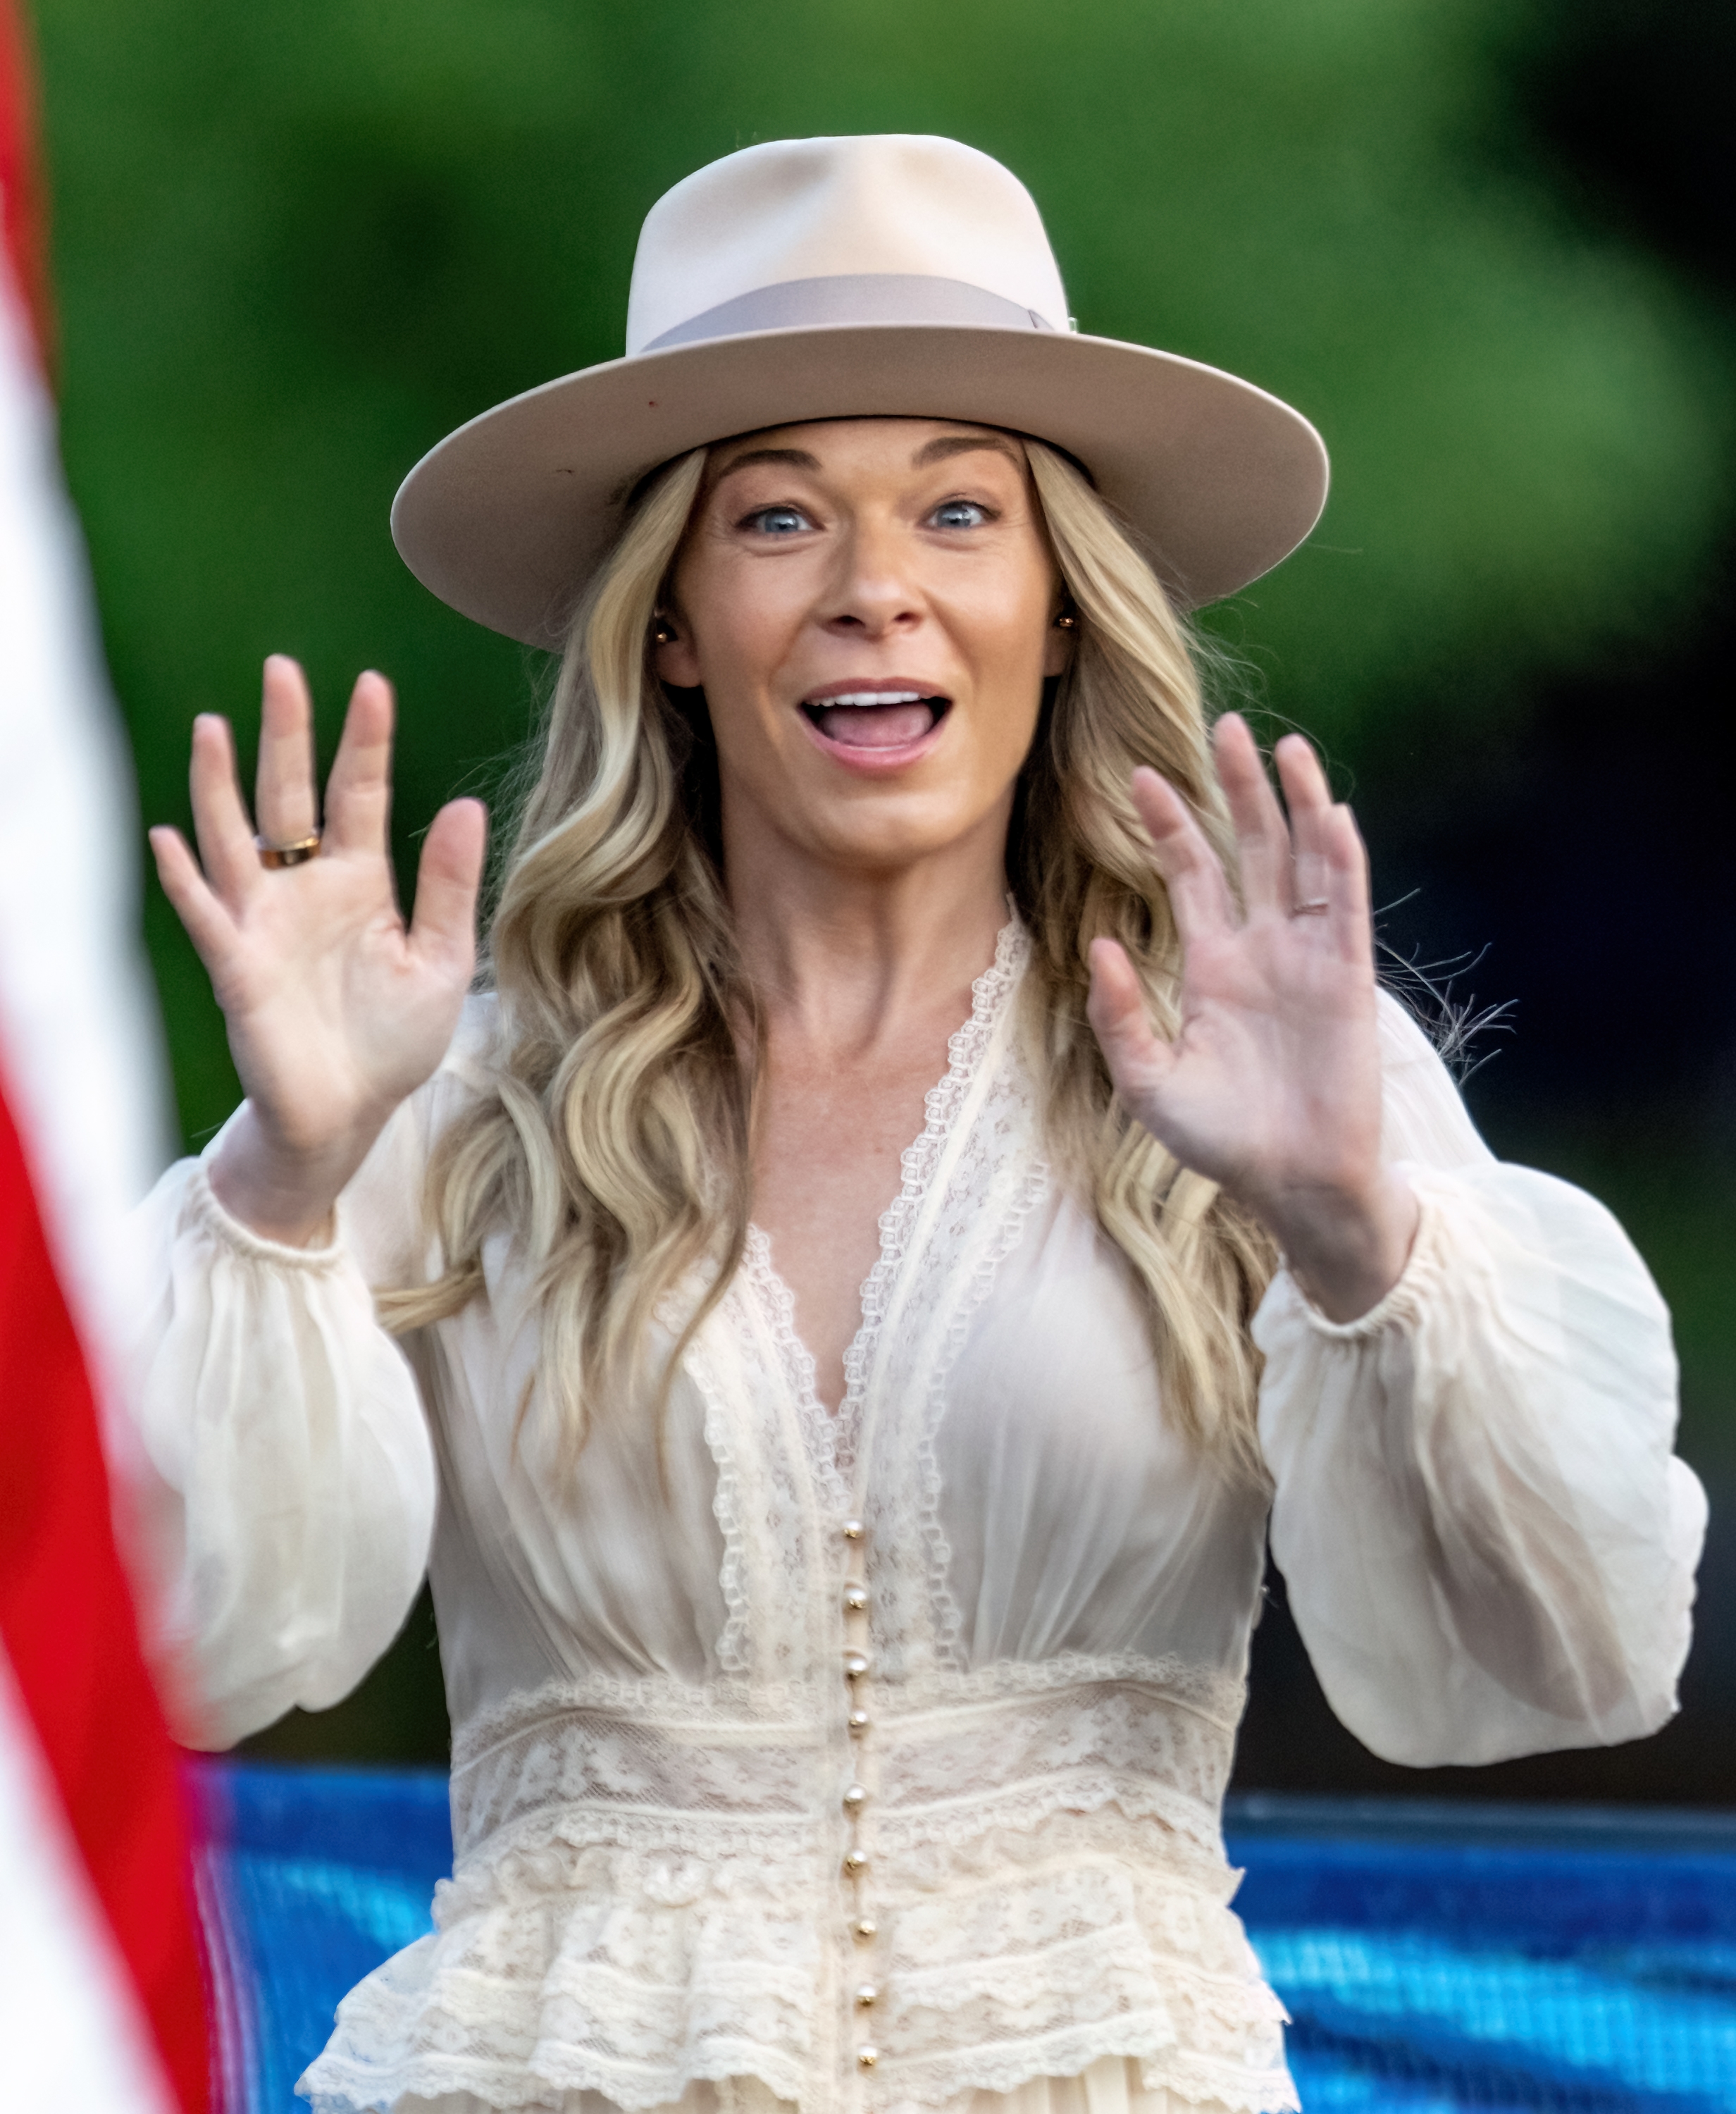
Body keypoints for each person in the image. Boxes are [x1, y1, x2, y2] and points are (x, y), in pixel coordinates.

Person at [135, 136, 1705, 2114]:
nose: (878, 593)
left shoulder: (1257, 1065)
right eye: (781, 520)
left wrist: (1354, 1230)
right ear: (675, 625)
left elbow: (1575, 1651)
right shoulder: (454, 1088)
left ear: (1057, 607)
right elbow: (172, 1649)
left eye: (959, 512)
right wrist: (281, 1175)